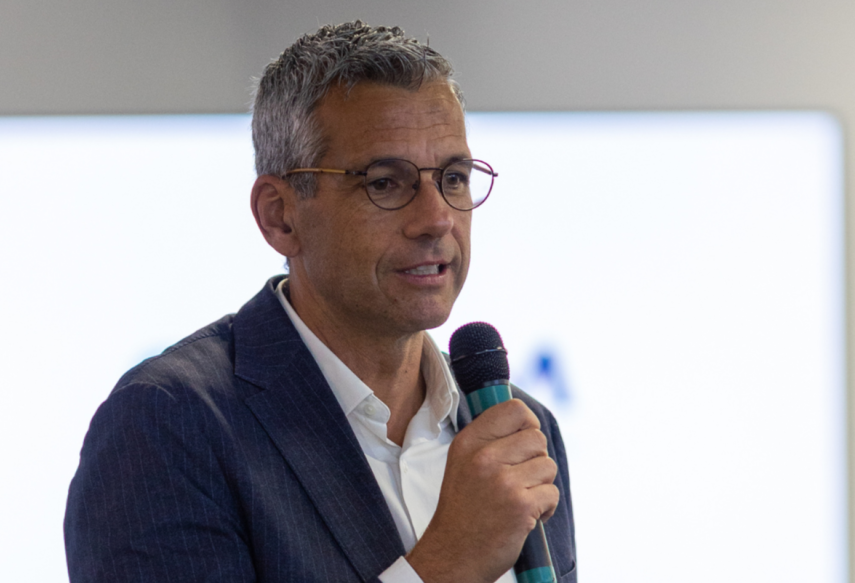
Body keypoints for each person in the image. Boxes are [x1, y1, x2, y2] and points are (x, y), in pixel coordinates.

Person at [64, 21, 576, 583]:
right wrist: (450, 562)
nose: (437, 219)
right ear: (279, 216)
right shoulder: (167, 424)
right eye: (385, 182)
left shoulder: (518, 428)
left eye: (453, 178)